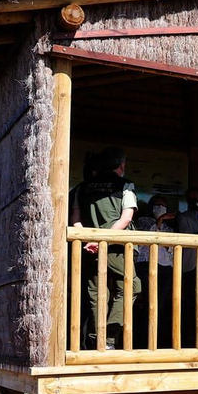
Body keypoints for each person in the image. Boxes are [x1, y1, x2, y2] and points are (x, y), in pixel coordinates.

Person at [69, 147, 138, 349]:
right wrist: (104, 240)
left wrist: (90, 239)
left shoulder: (82, 187)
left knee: (96, 294)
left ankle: (95, 341)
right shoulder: (125, 185)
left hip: (89, 248)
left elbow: (75, 220)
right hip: (117, 248)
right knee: (131, 287)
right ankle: (108, 338)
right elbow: (126, 218)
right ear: (121, 165)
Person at [133, 195, 176, 344]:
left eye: (163, 204)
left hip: (165, 268)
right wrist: (160, 220)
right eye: (157, 204)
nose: (160, 207)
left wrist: (163, 223)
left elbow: (168, 247)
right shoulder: (143, 221)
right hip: (145, 265)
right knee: (149, 303)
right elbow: (149, 239)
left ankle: (158, 339)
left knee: (161, 303)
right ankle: (143, 339)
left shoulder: (169, 228)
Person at [175, 186, 198, 345]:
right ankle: (190, 340)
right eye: (189, 198)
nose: (193, 200)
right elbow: (187, 235)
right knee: (192, 300)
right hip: (191, 263)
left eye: (195, 197)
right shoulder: (184, 217)